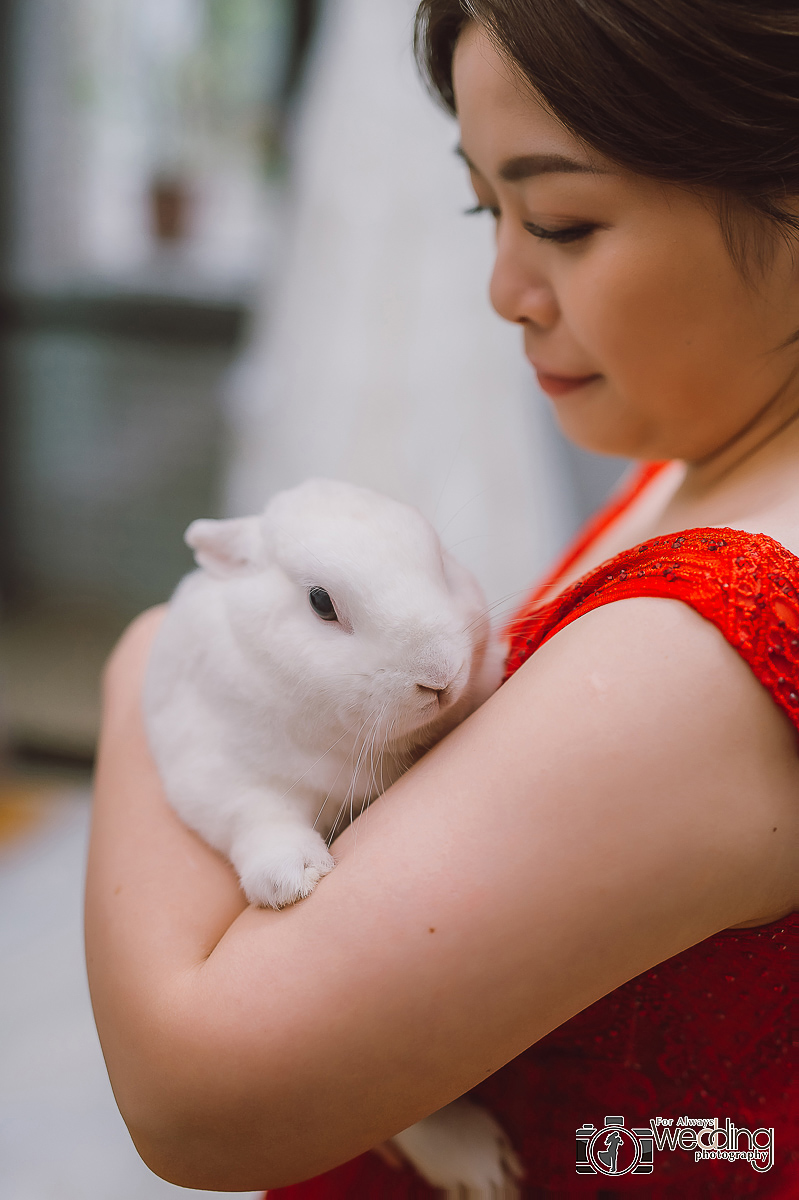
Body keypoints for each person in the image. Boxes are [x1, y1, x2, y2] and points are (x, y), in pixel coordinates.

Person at [85, 2, 798, 1197]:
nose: (503, 288)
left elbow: (197, 1092)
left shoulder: (707, 643)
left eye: (562, 222)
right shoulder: (692, 463)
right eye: (488, 212)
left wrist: (151, 657)